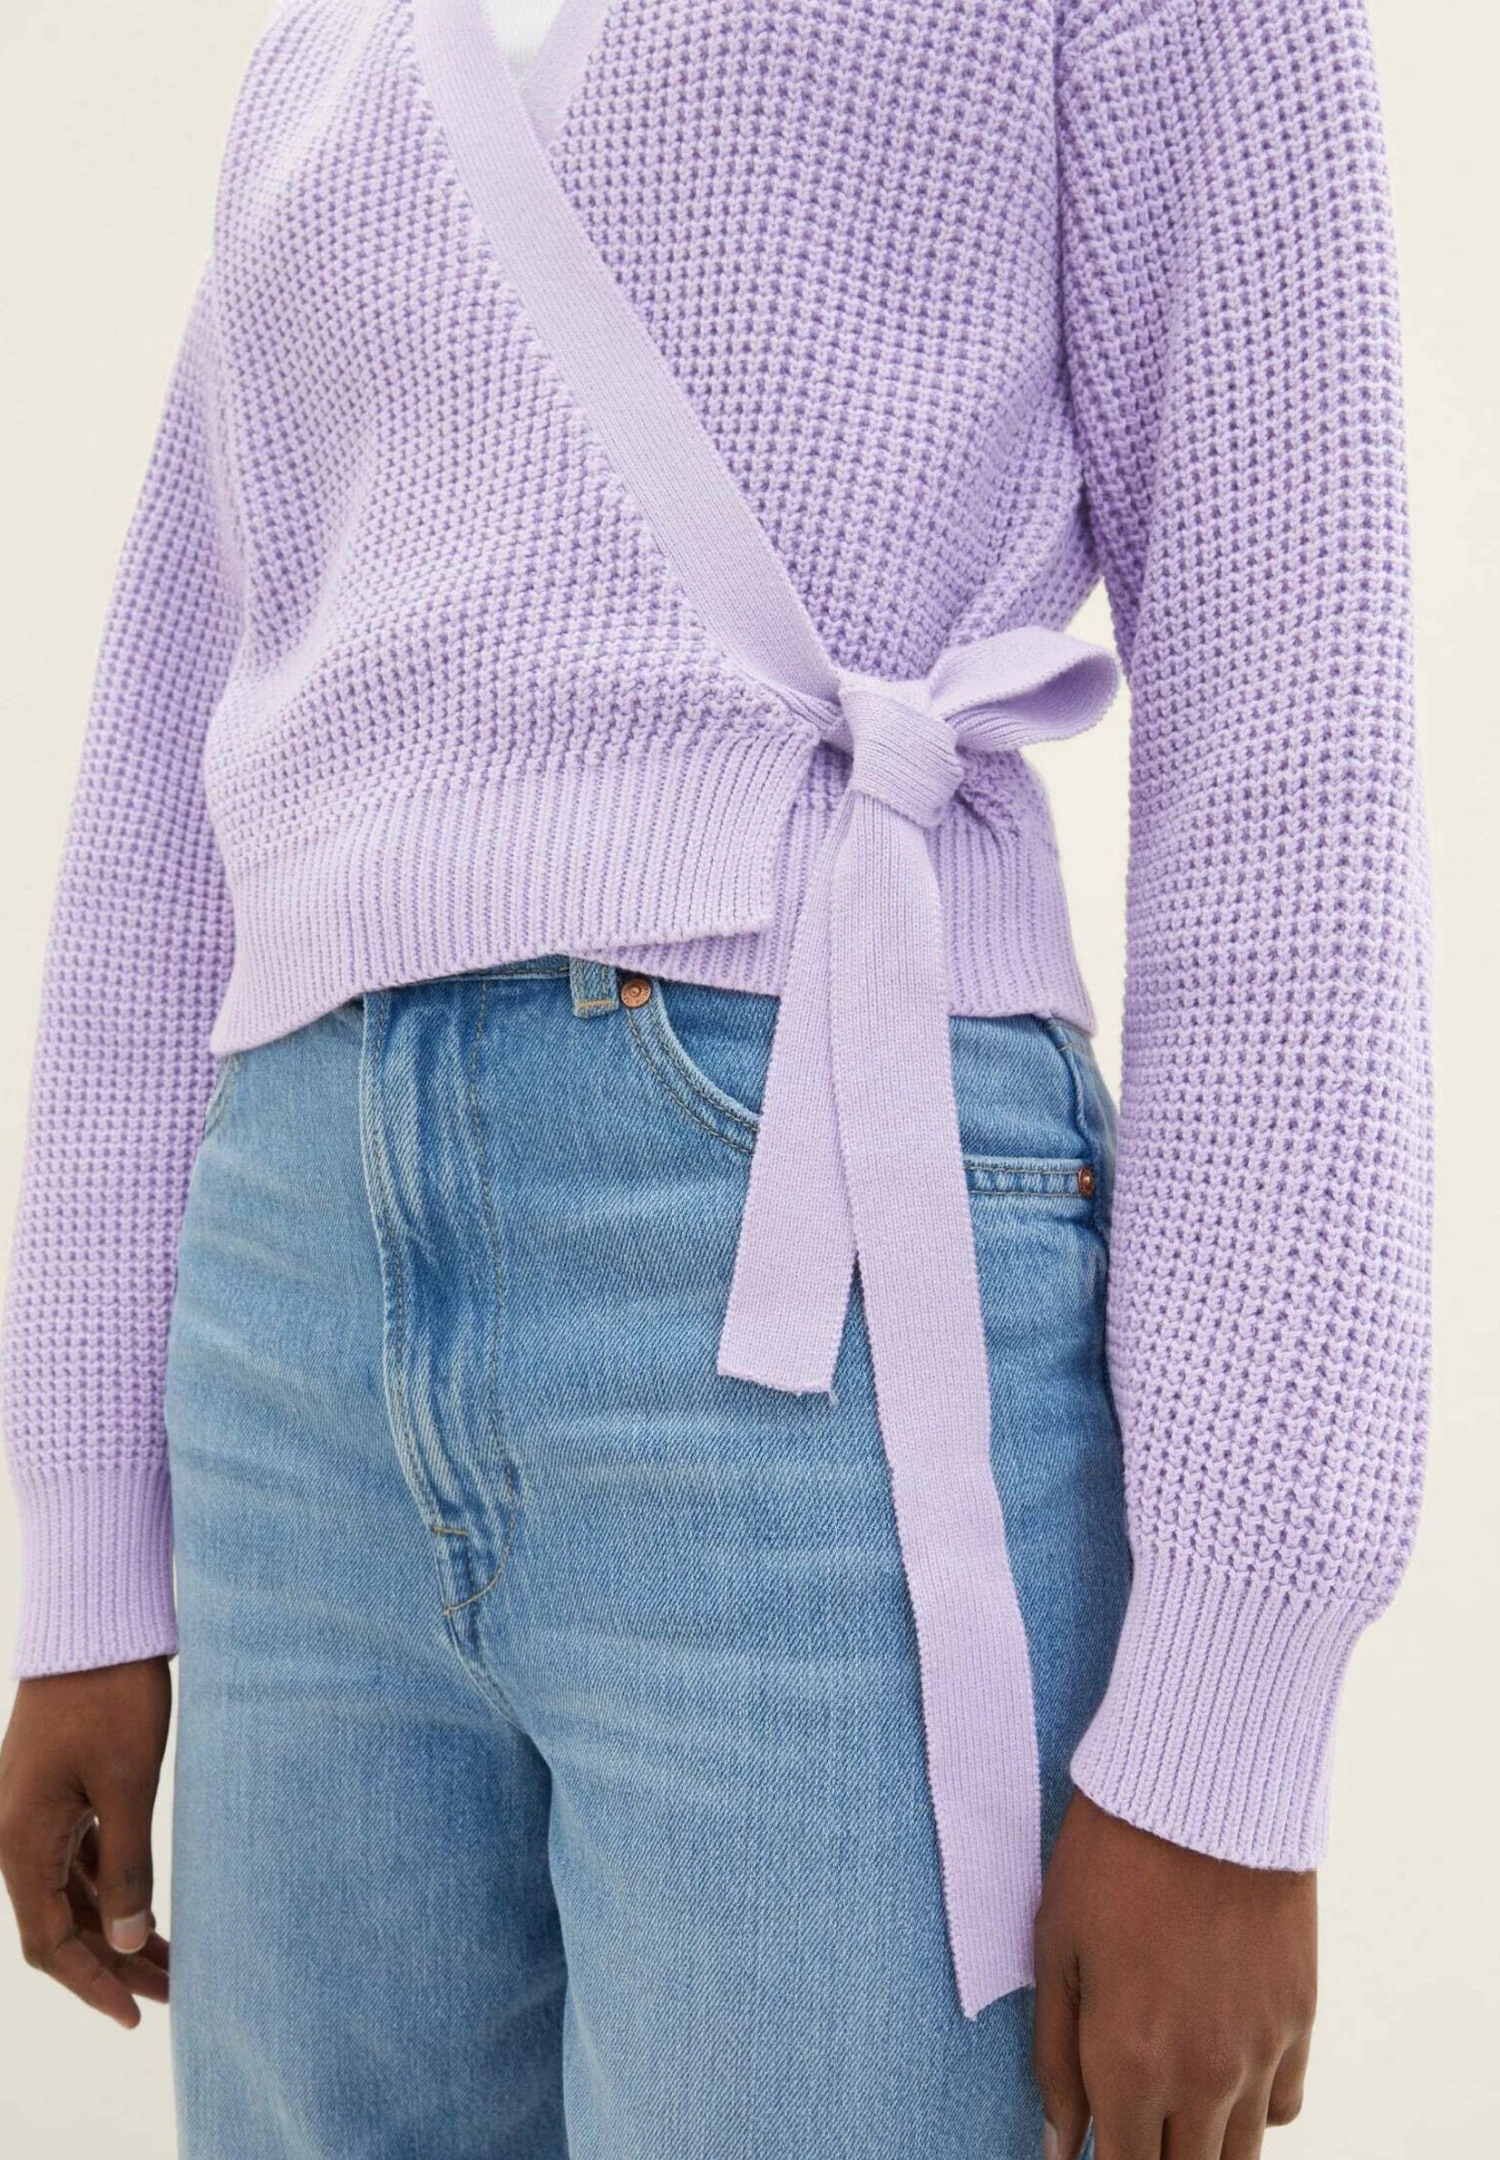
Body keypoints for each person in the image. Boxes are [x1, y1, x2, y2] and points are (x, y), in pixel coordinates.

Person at [0, 1, 1431, 2155]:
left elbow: (1291, 751)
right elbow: (170, 785)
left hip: (816, 1259)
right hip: (284, 1325)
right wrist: (92, 1556)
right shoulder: (334, 47)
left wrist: (1235, 1709)